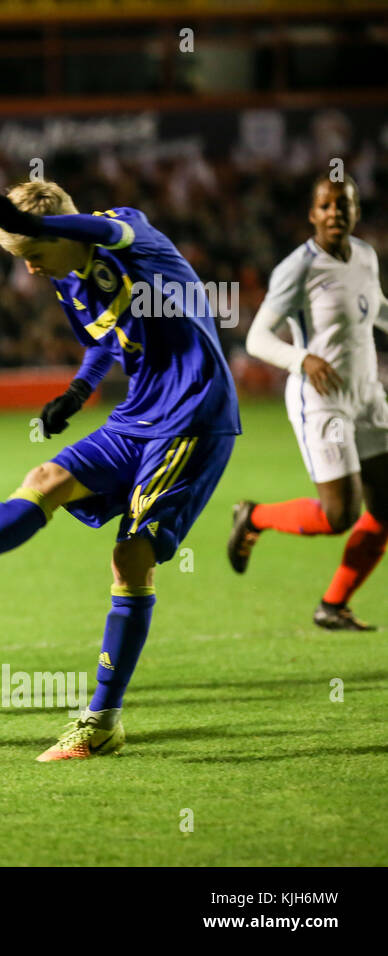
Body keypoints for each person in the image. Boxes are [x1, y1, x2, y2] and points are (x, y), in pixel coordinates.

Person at [0, 181, 240, 761]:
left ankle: (102, 720)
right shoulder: (69, 280)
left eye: (32, 255)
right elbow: (105, 338)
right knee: (45, 481)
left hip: (190, 415)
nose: (31, 270)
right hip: (137, 414)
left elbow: (103, 231)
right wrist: (77, 391)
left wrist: (36, 227)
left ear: (55, 234)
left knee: (132, 555)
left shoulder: (129, 236)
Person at [228, 174, 388, 630]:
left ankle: (333, 605)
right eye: (326, 205)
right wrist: (303, 359)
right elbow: (257, 338)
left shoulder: (365, 256)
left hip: (367, 395)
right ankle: (254, 516)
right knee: (340, 515)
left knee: (387, 506)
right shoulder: (297, 268)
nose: (335, 212)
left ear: (356, 211)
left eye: (344, 204)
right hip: (322, 401)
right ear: (312, 214)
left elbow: (374, 308)